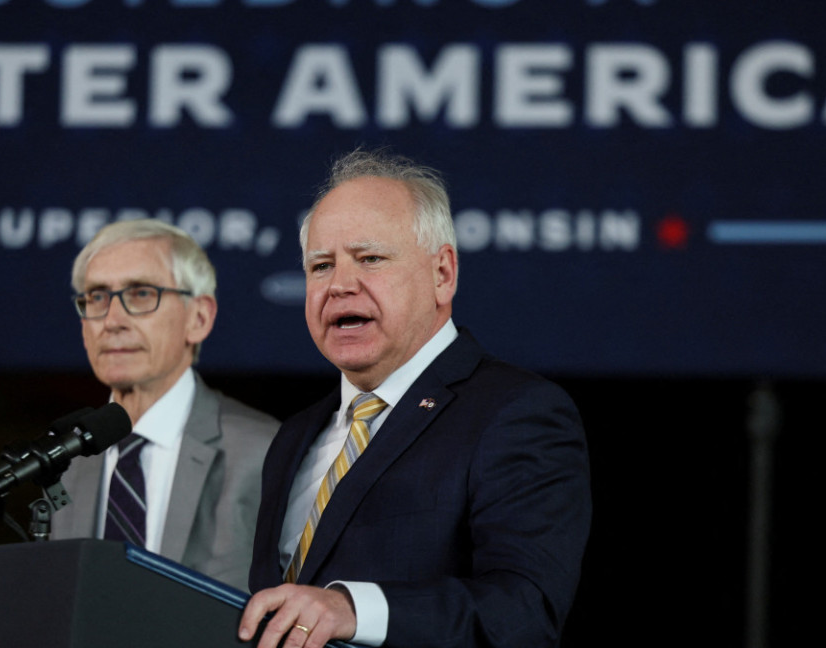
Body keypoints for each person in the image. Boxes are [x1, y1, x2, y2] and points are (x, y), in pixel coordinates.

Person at [238, 149, 592, 648]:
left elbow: (523, 612)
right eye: (320, 266)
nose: (339, 285)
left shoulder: (515, 413)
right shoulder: (296, 434)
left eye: (370, 259)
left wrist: (353, 609)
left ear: (442, 274)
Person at [50, 219, 278, 591]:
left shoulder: (264, 453)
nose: (111, 320)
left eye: (140, 294)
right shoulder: (67, 461)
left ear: (199, 318)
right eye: (96, 297)